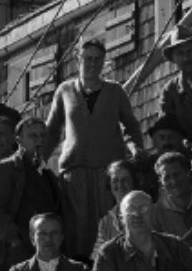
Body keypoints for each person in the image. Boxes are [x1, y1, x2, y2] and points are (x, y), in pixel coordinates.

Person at [49, 36, 144, 253]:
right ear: (78, 60)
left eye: (98, 59)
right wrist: (38, 161)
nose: (93, 64)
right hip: (75, 172)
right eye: (88, 59)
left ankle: (112, 266)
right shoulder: (64, 91)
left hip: (108, 174)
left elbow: (131, 125)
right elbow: (52, 131)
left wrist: (136, 151)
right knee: (78, 230)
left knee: (110, 226)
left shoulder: (115, 91)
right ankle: (80, 269)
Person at [0, 112, 64, 271]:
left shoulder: (49, 175)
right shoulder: (5, 168)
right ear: (19, 140)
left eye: (42, 136)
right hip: (13, 257)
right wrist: (14, 239)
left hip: (43, 255)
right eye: (33, 136)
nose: (39, 140)